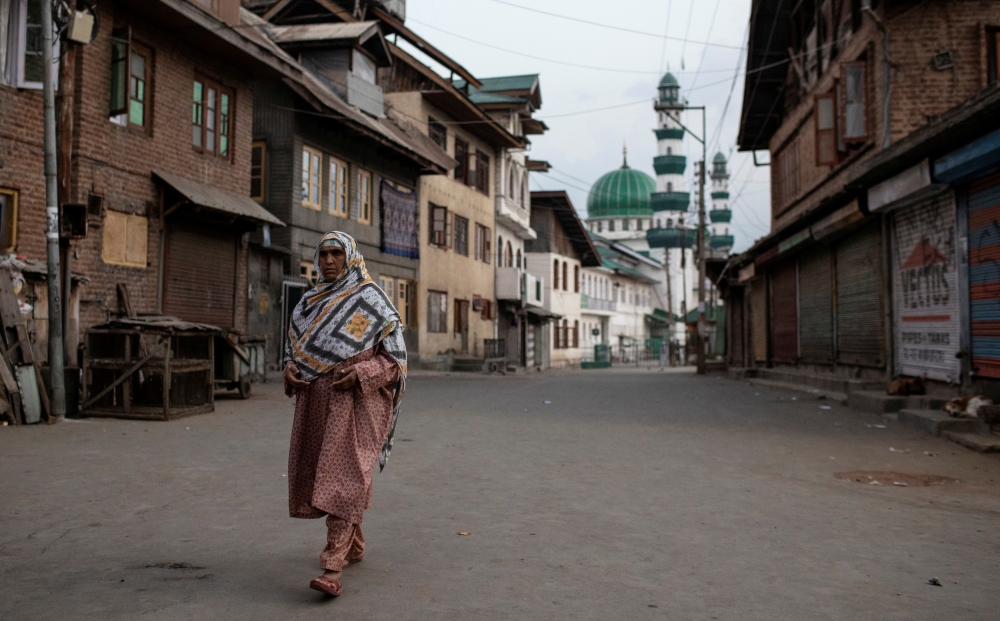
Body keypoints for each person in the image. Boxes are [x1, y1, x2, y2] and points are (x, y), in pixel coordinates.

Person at [283, 232, 406, 597]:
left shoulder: (373, 301)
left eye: (337, 253)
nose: (329, 261)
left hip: (357, 405)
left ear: (350, 257)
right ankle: (353, 545)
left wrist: (363, 373)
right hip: (316, 406)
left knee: (346, 477)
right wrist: (289, 369)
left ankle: (332, 564)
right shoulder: (308, 304)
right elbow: (295, 352)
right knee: (331, 477)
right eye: (323, 254)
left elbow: (396, 359)